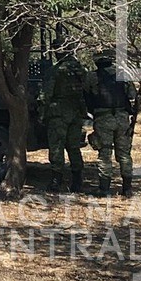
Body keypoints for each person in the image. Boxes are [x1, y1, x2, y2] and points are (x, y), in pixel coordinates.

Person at [85, 50, 139, 198]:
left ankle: (104, 189)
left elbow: (86, 95)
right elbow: (132, 96)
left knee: (105, 153)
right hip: (122, 118)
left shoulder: (91, 76)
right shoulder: (123, 74)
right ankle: (127, 188)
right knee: (124, 154)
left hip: (103, 118)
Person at [41, 52, 87, 193]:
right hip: (77, 111)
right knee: (73, 146)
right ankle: (77, 181)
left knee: (57, 146)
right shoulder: (81, 70)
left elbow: (46, 94)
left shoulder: (56, 71)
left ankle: (56, 181)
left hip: (58, 113)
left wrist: (42, 113)